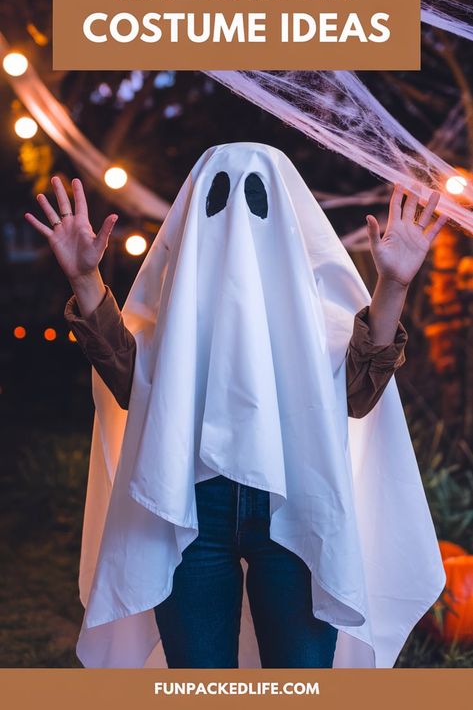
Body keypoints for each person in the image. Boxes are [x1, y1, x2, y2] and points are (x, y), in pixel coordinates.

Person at [24, 142, 447, 669]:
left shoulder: (316, 306)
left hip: (296, 504)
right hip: (189, 509)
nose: (239, 220)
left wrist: (393, 285)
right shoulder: (172, 307)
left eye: (256, 196)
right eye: (219, 195)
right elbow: (134, 386)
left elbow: (357, 397)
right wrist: (85, 280)